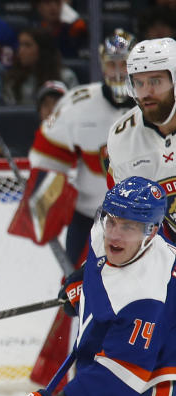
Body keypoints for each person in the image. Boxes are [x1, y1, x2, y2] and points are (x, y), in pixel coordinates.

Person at [0, 176, 176, 396]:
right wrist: (82, 280)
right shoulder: (103, 233)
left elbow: (124, 376)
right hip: (112, 366)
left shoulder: (150, 288)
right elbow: (99, 268)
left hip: (159, 375)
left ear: (152, 232)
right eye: (111, 219)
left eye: (128, 226)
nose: (114, 233)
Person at [13, 30, 135, 388]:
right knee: (80, 299)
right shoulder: (77, 103)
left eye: (124, 63)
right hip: (89, 221)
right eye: (111, 63)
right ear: (100, 64)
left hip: (145, 225)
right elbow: (47, 158)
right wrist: (47, 200)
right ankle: (84, 374)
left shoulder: (156, 104)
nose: (117, 71)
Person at [106, 37, 176, 244]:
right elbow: (125, 215)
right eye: (139, 83)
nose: (146, 92)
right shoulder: (122, 136)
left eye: (155, 81)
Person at [2, 27, 77, 106]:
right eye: (20, 45)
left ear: (43, 50)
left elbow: (75, 108)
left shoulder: (66, 77)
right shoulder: (13, 79)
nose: (21, 51)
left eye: (27, 45)